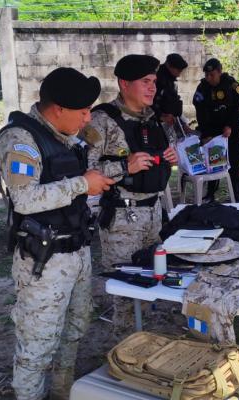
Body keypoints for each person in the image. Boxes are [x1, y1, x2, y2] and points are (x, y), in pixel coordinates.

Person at [0, 67, 113, 400]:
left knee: (75, 329)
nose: (88, 118)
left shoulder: (65, 136)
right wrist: (81, 185)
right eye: (83, 111)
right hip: (44, 262)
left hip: (76, 250)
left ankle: (61, 392)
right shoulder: (20, 141)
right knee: (37, 345)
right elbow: (25, 199)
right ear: (58, 108)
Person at [83, 54, 178, 326]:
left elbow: (161, 154)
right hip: (123, 219)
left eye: (154, 82)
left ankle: (145, 342)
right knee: (127, 294)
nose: (152, 88)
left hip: (154, 213)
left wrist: (170, 157)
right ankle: (125, 346)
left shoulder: (154, 118)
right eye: (145, 81)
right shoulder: (101, 120)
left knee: (152, 284)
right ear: (124, 84)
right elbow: (85, 171)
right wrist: (125, 166)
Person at [192, 58, 239, 202]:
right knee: (212, 164)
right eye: (206, 75)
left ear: (220, 72)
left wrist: (230, 126)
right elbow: (201, 113)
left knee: (233, 164)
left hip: (232, 132)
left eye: (212, 75)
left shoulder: (232, 85)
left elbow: (238, 110)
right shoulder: (202, 88)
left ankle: (236, 196)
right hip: (212, 132)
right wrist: (206, 134)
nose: (209, 78)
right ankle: (210, 194)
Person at [153, 53, 191, 136]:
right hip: (157, 124)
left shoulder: (170, 80)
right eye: (178, 70)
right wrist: (160, 116)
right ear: (169, 65)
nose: (179, 74)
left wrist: (183, 123)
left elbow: (175, 103)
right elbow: (151, 104)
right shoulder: (158, 79)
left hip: (170, 122)